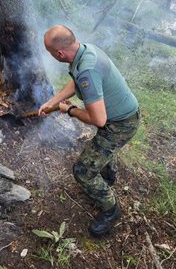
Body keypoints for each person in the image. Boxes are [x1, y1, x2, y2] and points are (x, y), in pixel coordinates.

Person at [39, 25, 140, 237]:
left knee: (82, 171)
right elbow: (76, 83)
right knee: (102, 150)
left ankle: (111, 211)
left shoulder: (88, 69)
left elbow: (99, 120)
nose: (51, 56)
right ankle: (108, 178)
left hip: (120, 124)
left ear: (59, 53)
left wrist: (71, 110)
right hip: (121, 116)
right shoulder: (85, 50)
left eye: (50, 53)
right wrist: (52, 102)